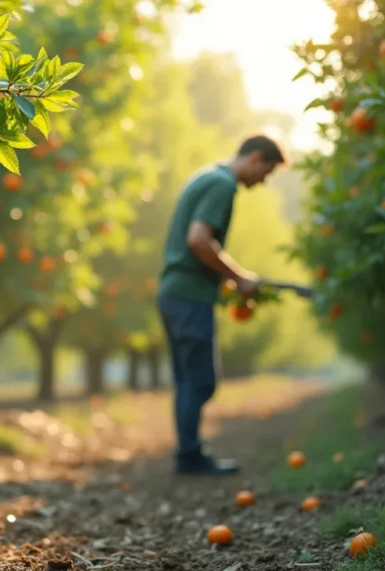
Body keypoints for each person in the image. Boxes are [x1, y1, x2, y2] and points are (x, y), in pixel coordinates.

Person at [156, 134, 285, 475]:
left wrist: (226, 278)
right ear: (255, 158)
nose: (263, 182)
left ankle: (188, 454)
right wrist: (239, 277)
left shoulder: (205, 175)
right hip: (188, 295)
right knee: (200, 381)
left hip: (174, 292)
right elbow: (198, 240)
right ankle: (189, 457)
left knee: (188, 380)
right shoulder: (223, 185)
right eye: (267, 173)